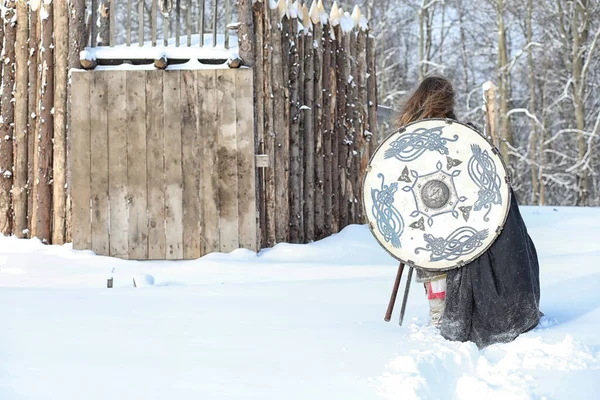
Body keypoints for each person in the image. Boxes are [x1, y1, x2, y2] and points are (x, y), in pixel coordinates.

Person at [394, 75, 542, 348]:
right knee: (433, 234)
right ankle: (448, 307)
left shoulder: (428, 137)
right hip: (437, 214)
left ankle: (440, 309)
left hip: (451, 215)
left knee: (430, 239)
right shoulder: (421, 139)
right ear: (448, 101)